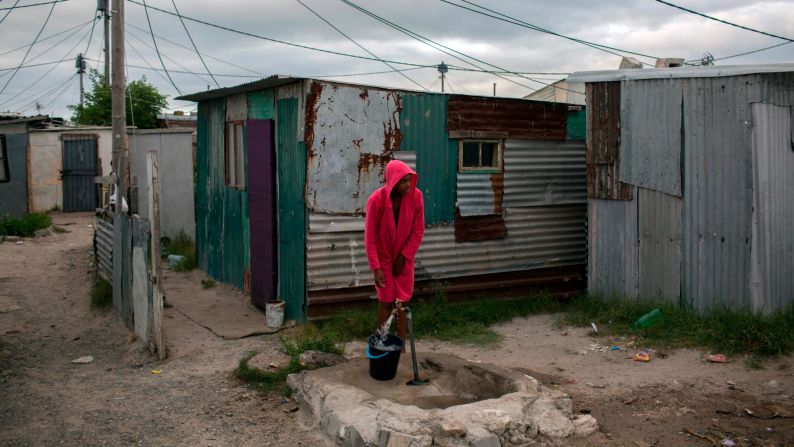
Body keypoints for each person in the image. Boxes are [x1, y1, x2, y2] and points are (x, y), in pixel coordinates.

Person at [365, 159, 425, 343]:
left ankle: (401, 345)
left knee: (402, 303)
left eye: (409, 180)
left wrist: (405, 256)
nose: (408, 185)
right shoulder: (376, 200)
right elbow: (370, 236)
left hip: (404, 257)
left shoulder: (416, 197)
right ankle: (381, 342)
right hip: (383, 258)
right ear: (393, 181)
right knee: (385, 301)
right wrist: (376, 268)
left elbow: (418, 231)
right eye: (403, 181)